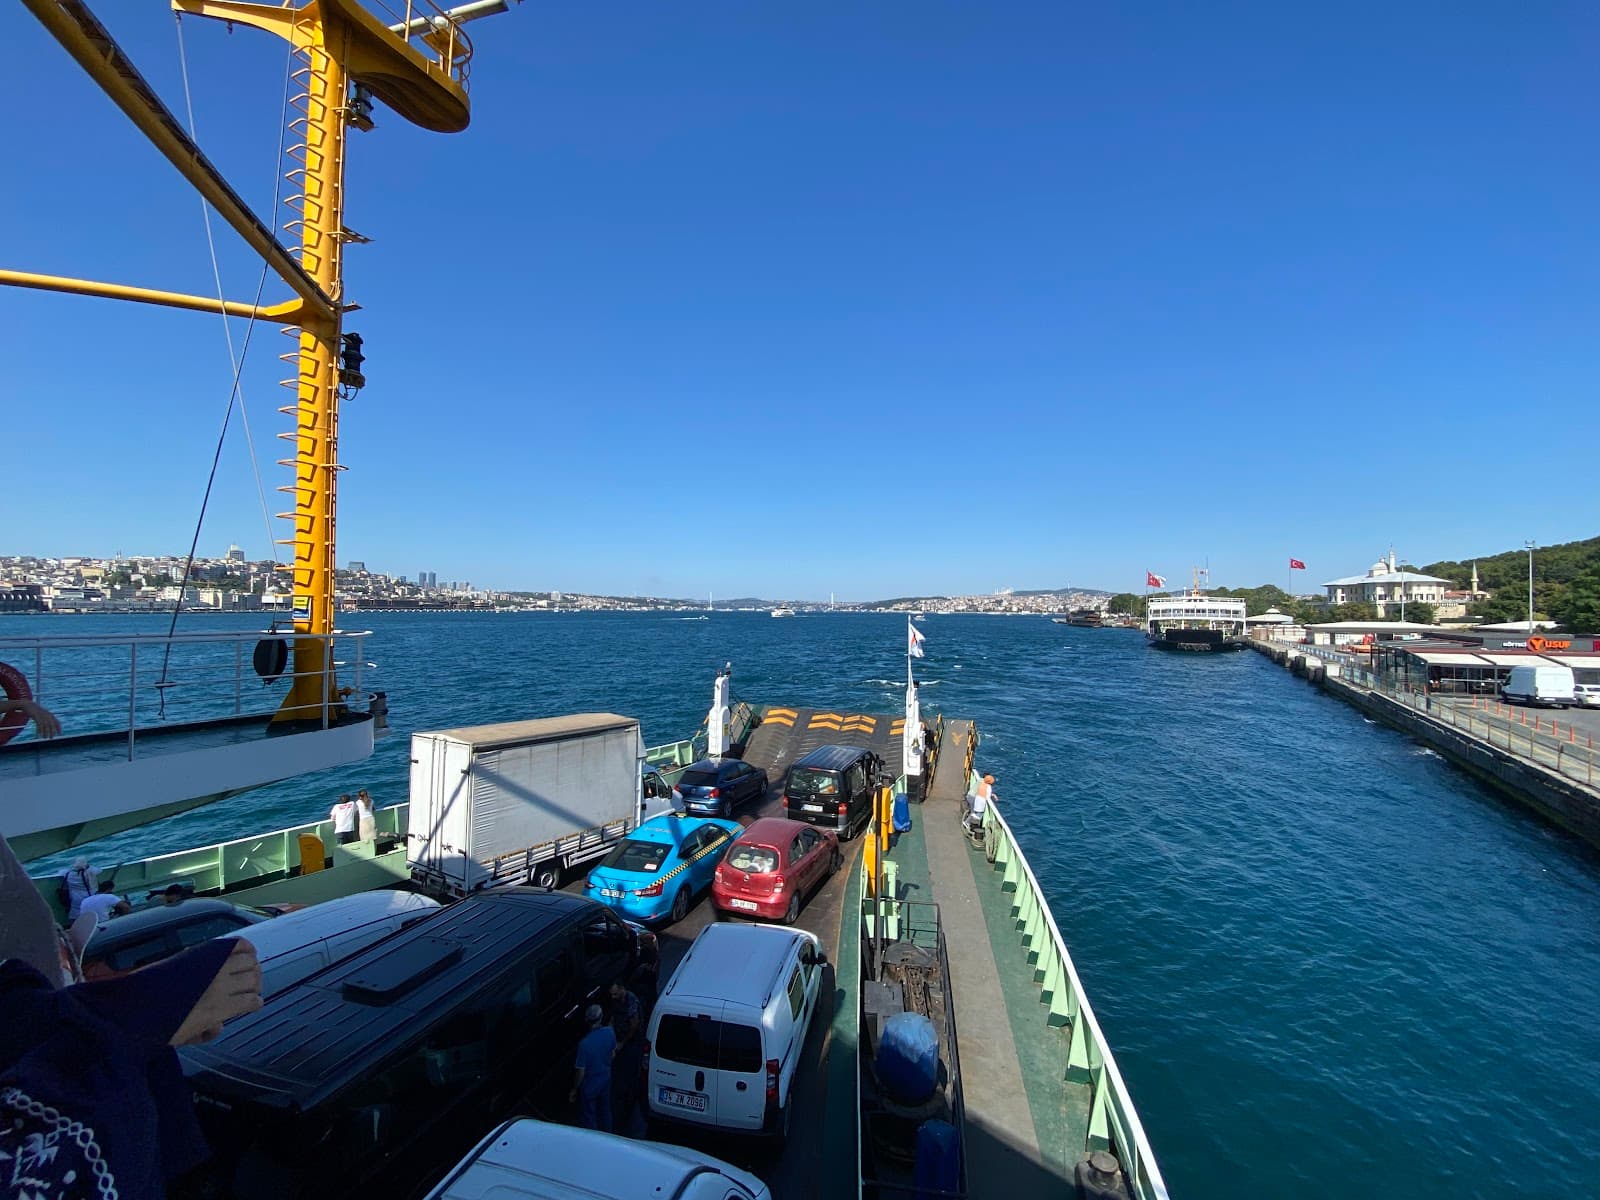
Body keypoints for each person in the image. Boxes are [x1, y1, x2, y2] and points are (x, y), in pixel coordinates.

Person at [569, 1003, 616, 1132]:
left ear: (587, 1020)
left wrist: (574, 1089)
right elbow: (612, 1054)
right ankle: (609, 1135)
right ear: (601, 1017)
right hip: (606, 1079)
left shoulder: (584, 1044)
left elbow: (581, 1073)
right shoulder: (610, 1032)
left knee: (589, 1116)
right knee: (606, 1111)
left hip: (590, 1085)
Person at [608, 981, 645, 1136]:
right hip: (620, 1040)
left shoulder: (632, 1001)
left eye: (615, 993)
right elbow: (613, 1018)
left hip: (632, 1042)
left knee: (630, 1072)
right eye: (611, 994)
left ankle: (630, 1100)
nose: (613, 997)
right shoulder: (616, 1001)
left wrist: (622, 1043)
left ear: (623, 989)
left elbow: (634, 1025)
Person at [64, 856, 98, 920]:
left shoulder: (67, 873)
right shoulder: (89, 872)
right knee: (90, 912)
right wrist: (88, 866)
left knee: (75, 912)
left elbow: (61, 872)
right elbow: (98, 870)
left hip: (75, 897)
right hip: (88, 896)